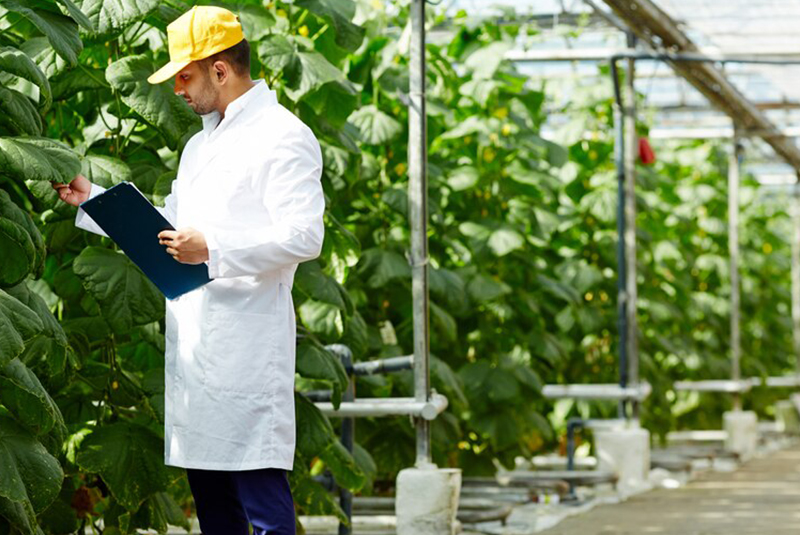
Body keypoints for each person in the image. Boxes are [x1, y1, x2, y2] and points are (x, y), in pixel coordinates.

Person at [51, 5, 325, 534]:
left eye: (184, 75)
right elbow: (168, 228)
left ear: (219, 69)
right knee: (215, 512)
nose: (178, 89)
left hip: (246, 351)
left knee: (261, 505)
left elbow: (304, 235)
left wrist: (215, 250)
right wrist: (96, 201)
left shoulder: (282, 135)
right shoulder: (199, 145)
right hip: (198, 351)